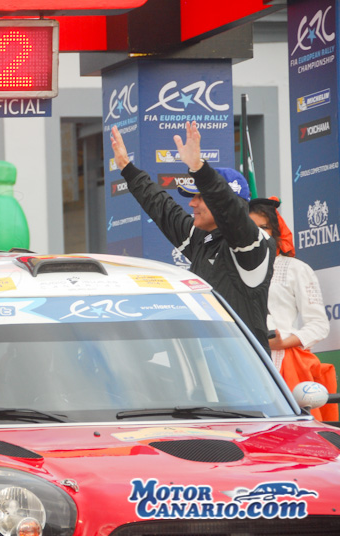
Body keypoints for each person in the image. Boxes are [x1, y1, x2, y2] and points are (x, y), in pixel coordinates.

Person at [110, 122, 276, 353]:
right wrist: (127, 169)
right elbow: (163, 208)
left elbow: (230, 211)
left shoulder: (252, 245)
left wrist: (199, 168)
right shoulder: (201, 238)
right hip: (207, 367)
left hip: (243, 368)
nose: (191, 203)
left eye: (200, 197)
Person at [249, 197, 336, 420]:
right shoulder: (229, 268)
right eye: (250, 228)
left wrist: (283, 343)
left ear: (275, 231)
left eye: (263, 228)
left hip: (284, 361)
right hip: (239, 358)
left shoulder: (295, 269)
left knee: (287, 427)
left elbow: (318, 325)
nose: (257, 234)